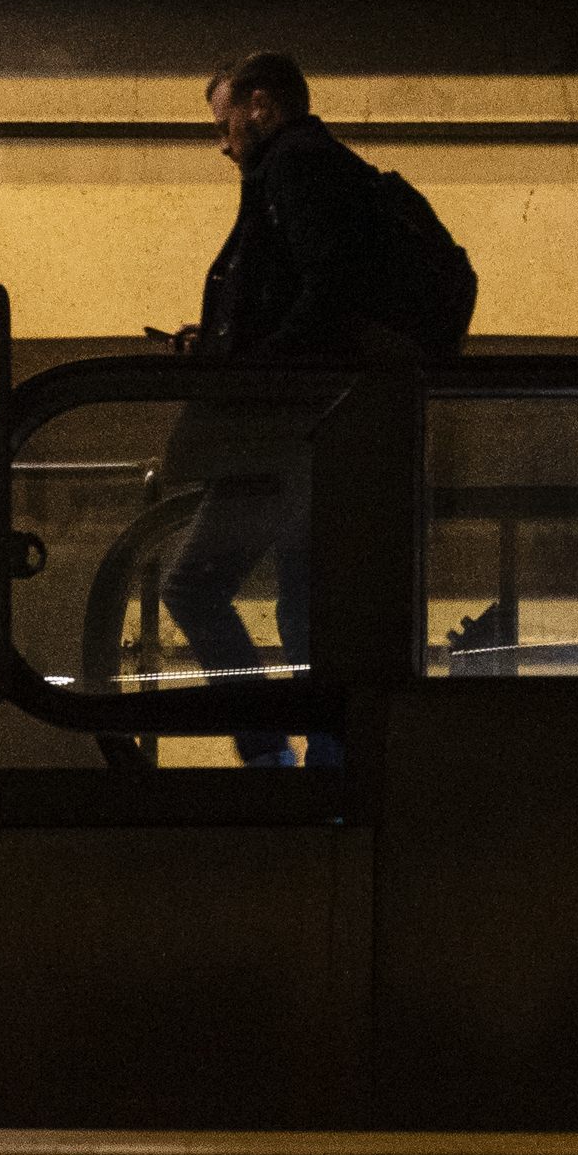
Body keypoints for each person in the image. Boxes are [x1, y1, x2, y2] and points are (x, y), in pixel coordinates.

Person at [153, 52, 477, 767]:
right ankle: (325, 761)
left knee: (196, 585)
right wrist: (221, 340)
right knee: (308, 607)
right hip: (318, 429)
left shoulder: (294, 166)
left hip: (284, 427)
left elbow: (322, 296)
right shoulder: (319, 169)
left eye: (227, 120)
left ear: (261, 106)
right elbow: (303, 292)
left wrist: (250, 369)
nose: (223, 140)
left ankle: (280, 755)